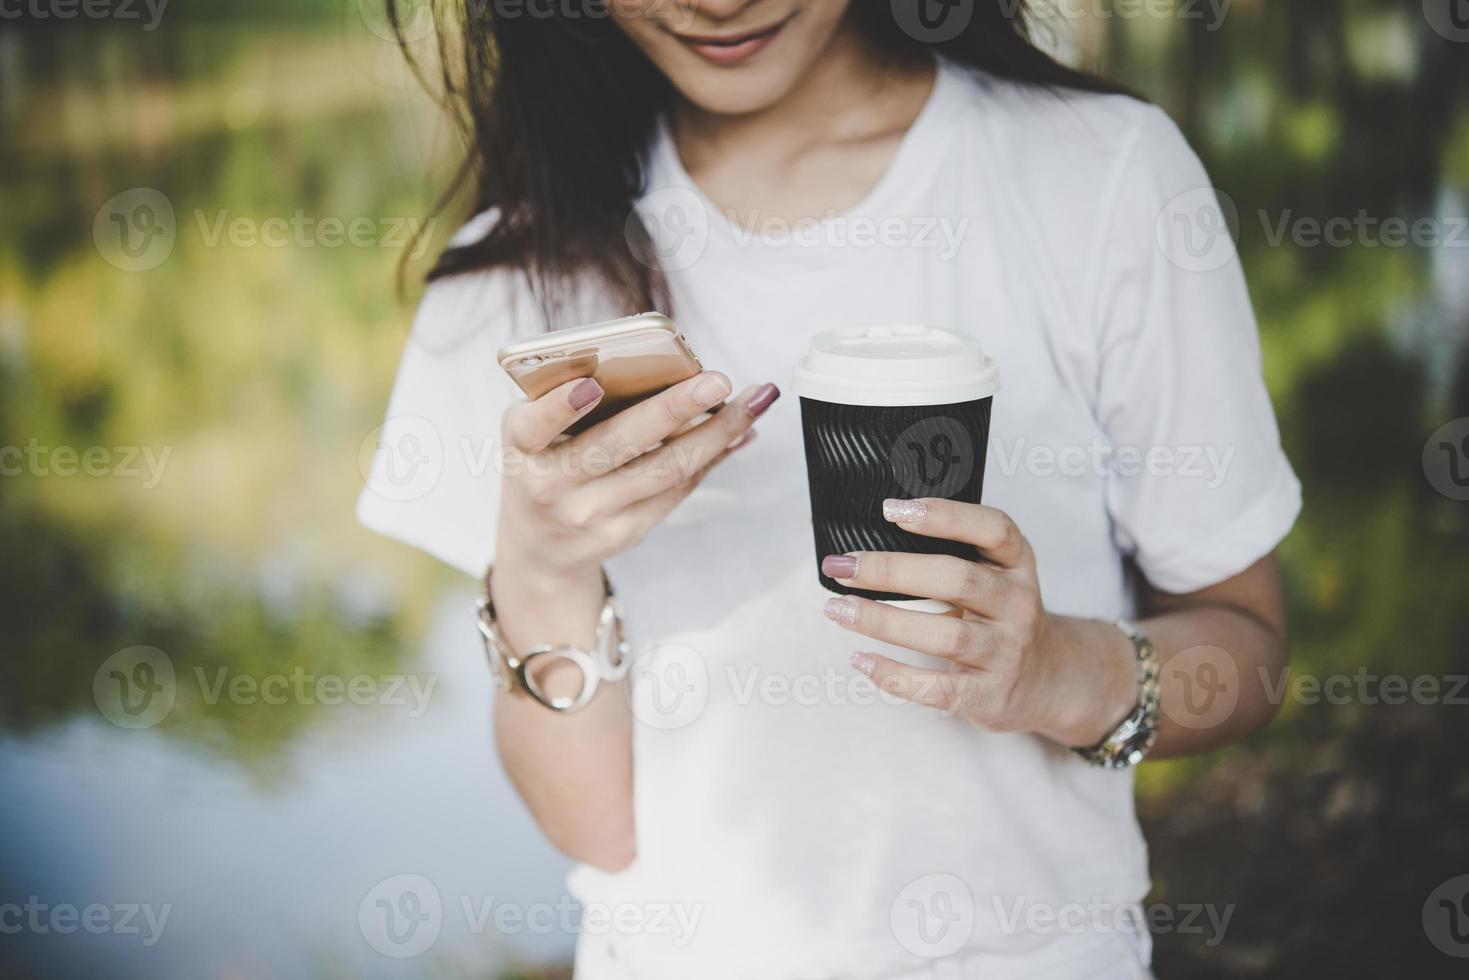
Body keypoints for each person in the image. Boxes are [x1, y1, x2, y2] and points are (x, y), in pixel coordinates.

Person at [359, 1, 1300, 976]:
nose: (715, 3)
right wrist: (543, 569)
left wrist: (1056, 670)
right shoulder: (512, 275)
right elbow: (593, 829)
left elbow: (1247, 652)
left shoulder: (1100, 176)